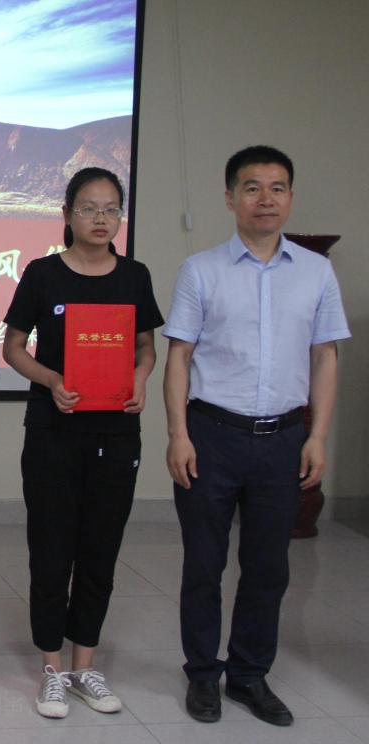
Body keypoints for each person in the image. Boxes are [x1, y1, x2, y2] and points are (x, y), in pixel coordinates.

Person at [163, 146, 349, 727]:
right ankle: (202, 673)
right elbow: (179, 356)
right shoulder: (201, 270)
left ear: (290, 197)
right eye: (251, 188)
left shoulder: (316, 272)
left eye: (277, 188)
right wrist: (178, 434)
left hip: (283, 439)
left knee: (269, 567)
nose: (265, 199)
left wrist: (318, 436)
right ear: (230, 198)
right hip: (211, 435)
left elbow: (325, 357)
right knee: (204, 565)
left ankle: (248, 674)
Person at [3, 167, 163, 718]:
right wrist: (51, 380)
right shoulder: (42, 274)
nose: (101, 218)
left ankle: (84, 666)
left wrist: (141, 377)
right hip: (53, 430)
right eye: (89, 208)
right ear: (67, 214)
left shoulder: (134, 276)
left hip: (116, 432)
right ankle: (52, 670)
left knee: (100, 550)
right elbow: (14, 347)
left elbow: (146, 348)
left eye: (111, 209)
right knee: (51, 550)